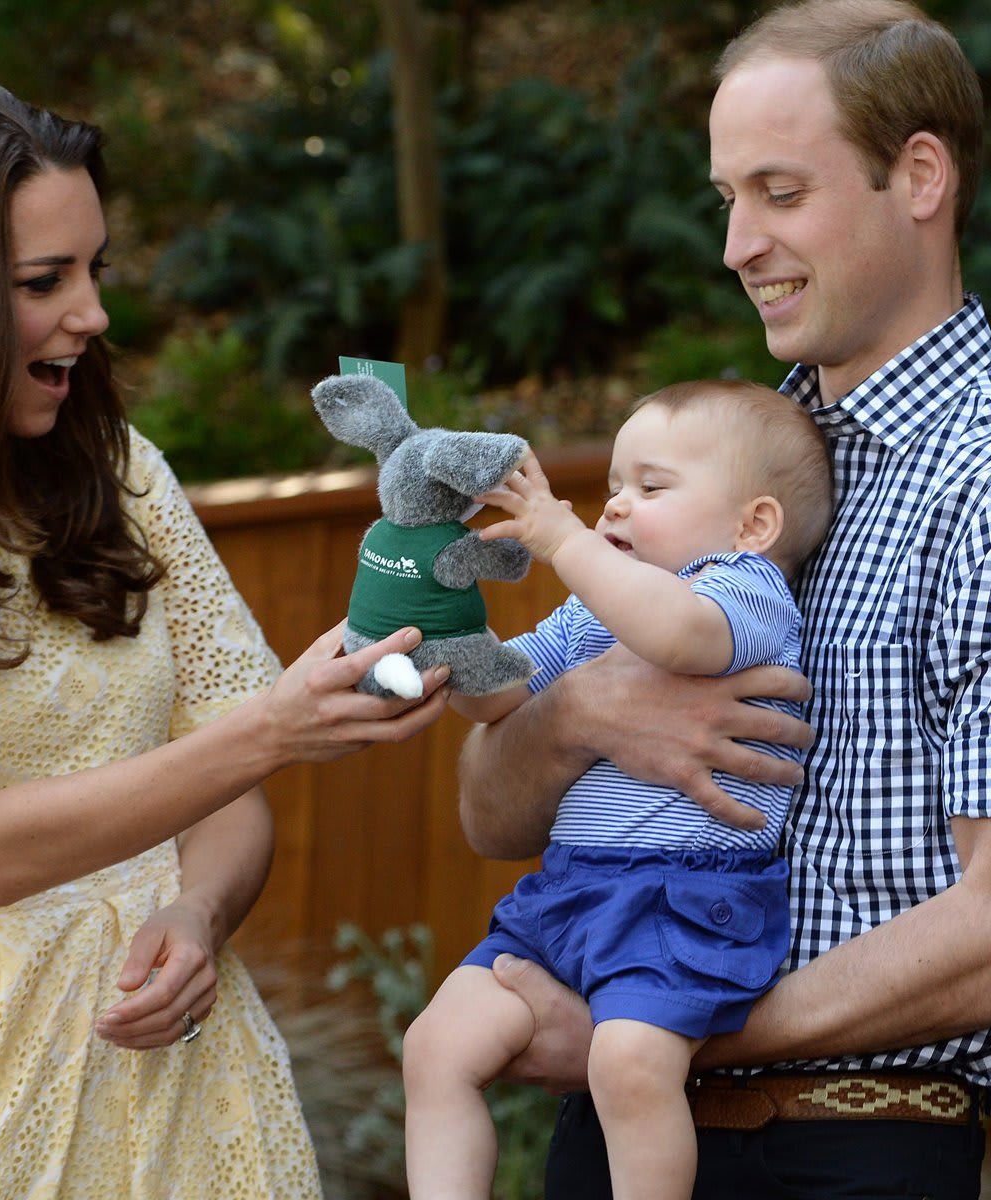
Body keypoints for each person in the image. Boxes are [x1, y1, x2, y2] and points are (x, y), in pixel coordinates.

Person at [0, 80, 450, 1200]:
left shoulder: (123, 475)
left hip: (191, 1082)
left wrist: (198, 913)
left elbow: (228, 796)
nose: (91, 314)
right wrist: (271, 731)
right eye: (45, 282)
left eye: (95, 270)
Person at [458, 1, 991, 1197]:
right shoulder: (718, 461)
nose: (738, 243)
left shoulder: (983, 473)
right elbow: (490, 818)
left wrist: (664, 1032)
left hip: (857, 1148)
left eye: (780, 193)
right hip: (613, 1136)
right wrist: (580, 714)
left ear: (918, 177)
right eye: (726, 199)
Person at [402, 380, 832, 1200]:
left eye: (652, 487)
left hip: (684, 901)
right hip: (568, 893)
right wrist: (437, 620)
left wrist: (564, 538)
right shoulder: (593, 612)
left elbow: (677, 634)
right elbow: (500, 697)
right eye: (612, 489)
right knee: (436, 1046)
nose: (617, 509)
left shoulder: (740, 590)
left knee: (630, 1066)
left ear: (755, 524)